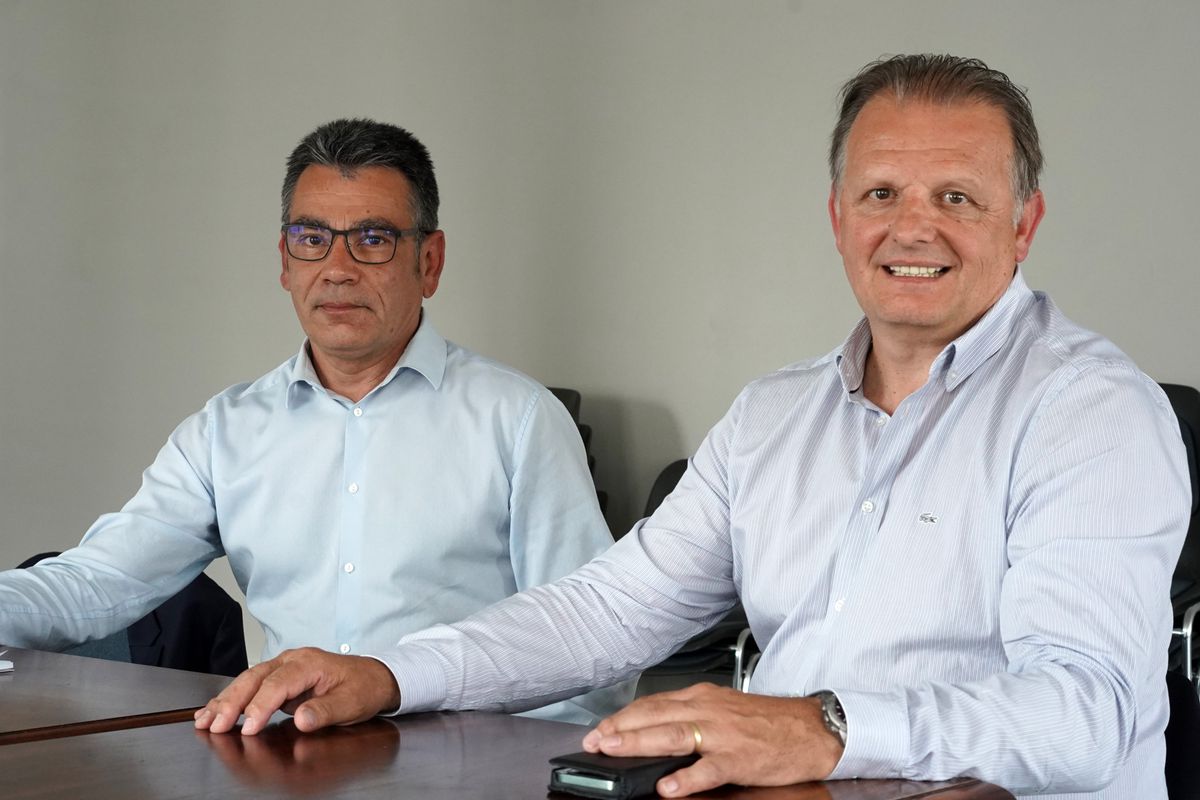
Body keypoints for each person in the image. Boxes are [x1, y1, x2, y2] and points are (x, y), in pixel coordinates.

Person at [196, 57, 1189, 799]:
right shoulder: (773, 415)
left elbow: (1083, 711)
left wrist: (827, 725)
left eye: (957, 198)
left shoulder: (1093, 413)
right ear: (838, 215)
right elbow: (605, 612)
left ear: (1024, 223)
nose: (912, 226)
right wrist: (388, 671)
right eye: (882, 193)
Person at [0, 118, 630, 725]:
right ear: (285, 260)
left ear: (429, 262)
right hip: (284, 761)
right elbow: (98, 581)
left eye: (373, 239)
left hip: (463, 764)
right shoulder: (227, 430)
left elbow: (587, 642)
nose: (337, 267)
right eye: (312, 238)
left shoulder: (518, 421)